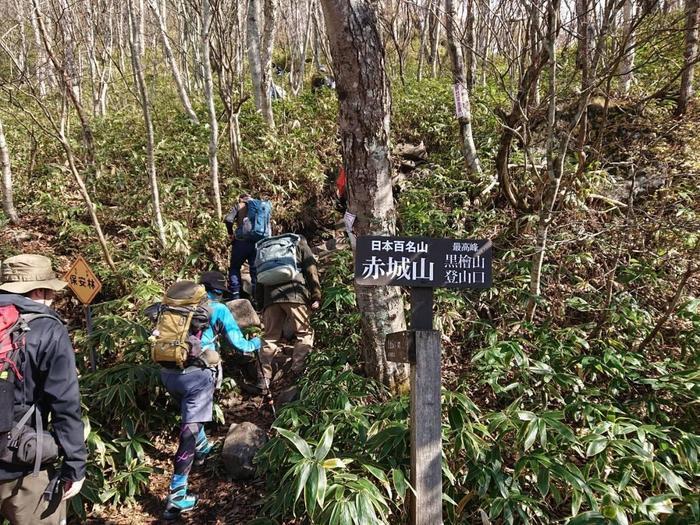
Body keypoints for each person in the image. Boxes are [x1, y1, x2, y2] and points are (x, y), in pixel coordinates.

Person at [158, 272, 261, 520]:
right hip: (198, 375)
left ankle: (203, 449)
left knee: (190, 415)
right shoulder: (219, 310)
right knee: (189, 430)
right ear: (216, 292)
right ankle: (177, 494)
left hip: (168, 371)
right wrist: (257, 343)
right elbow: (239, 344)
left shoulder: (174, 308)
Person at [0, 254, 87, 525]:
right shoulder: (47, 328)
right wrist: (75, 464)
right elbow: (65, 402)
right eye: (50, 291)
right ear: (39, 291)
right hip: (22, 464)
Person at [255, 235, 322, 393]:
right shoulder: (299, 243)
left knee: (270, 337)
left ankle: (263, 378)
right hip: (295, 294)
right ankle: (296, 372)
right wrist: (316, 295)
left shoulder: (265, 249)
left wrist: (260, 303)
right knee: (304, 332)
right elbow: (311, 270)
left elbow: (257, 277)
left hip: (269, 298)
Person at [224, 195, 258, 300]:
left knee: (234, 267)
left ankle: (235, 295)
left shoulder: (239, 205)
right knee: (254, 269)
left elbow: (229, 220)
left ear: (240, 199)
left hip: (241, 242)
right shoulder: (258, 206)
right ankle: (257, 297)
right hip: (256, 242)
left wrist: (230, 233)